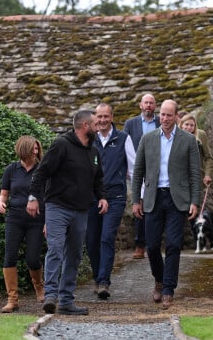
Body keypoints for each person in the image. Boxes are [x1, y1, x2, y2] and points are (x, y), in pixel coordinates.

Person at [27, 110, 108, 316]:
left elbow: (98, 179)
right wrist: (33, 197)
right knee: (55, 248)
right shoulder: (61, 145)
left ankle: (66, 301)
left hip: (81, 210)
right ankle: (51, 296)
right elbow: (42, 172)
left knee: (74, 254)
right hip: (58, 207)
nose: (99, 128)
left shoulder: (93, 152)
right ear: (84, 127)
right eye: (95, 124)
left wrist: (102, 197)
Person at [131, 99, 201, 310]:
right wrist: (136, 200)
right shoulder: (148, 138)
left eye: (169, 115)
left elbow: (195, 174)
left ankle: (169, 289)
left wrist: (195, 201)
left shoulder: (188, 140)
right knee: (151, 245)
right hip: (153, 197)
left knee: (173, 244)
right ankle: (159, 279)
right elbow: (138, 173)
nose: (165, 118)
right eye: (162, 114)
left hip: (176, 199)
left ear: (176, 116)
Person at [86, 103, 136, 299]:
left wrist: (138, 197)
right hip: (91, 198)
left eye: (106, 116)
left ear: (112, 117)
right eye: (99, 117)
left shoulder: (123, 138)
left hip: (115, 196)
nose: (102, 120)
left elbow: (133, 169)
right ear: (94, 118)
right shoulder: (89, 140)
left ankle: (104, 281)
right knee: (91, 240)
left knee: (107, 237)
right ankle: (97, 277)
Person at [0, 135, 45, 313]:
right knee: (9, 257)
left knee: (32, 258)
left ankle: (39, 286)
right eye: (33, 148)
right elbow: (4, 193)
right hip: (14, 218)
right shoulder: (12, 169)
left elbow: (48, 197)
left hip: (36, 220)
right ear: (23, 149)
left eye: (37, 148)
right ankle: (12, 299)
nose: (36, 151)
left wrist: (47, 222)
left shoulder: (42, 170)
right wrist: (1, 202)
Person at [123, 93, 160, 259]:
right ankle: (140, 245)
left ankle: (155, 243)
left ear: (155, 106)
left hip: (158, 170)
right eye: (146, 103)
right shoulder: (131, 124)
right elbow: (122, 147)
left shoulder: (161, 122)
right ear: (140, 105)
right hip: (137, 171)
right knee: (139, 206)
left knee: (157, 206)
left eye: (151, 103)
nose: (148, 106)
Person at [179, 113, 213, 187]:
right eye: (186, 124)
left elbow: (209, 158)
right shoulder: (175, 137)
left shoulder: (201, 134)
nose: (189, 127)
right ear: (181, 125)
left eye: (192, 125)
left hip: (197, 178)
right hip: (181, 179)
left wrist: (207, 174)